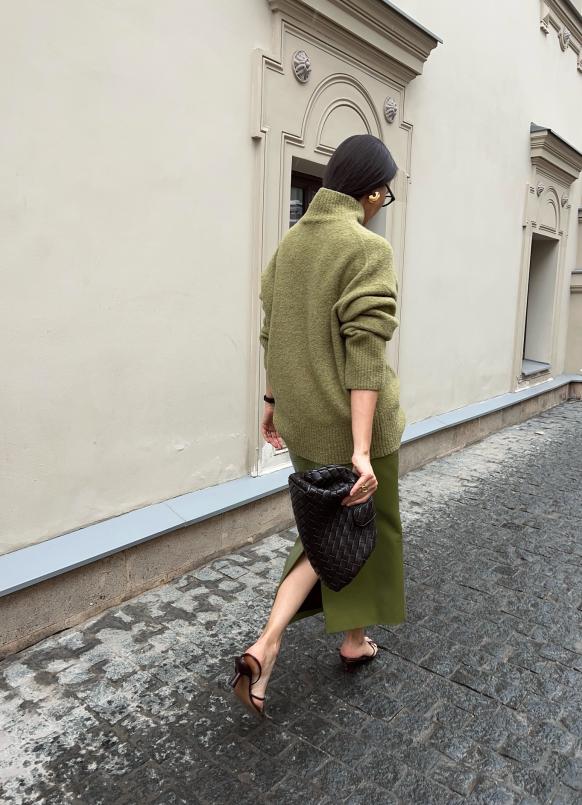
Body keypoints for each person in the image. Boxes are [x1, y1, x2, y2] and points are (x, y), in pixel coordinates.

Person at [229, 133, 407, 717]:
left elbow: (271, 334)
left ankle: (338, 640)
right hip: (354, 430)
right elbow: (365, 355)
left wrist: (271, 401)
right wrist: (361, 449)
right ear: (372, 192)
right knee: (355, 532)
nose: (382, 203)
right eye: (385, 193)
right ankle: (273, 643)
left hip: (302, 423)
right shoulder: (367, 249)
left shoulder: (289, 246)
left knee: (325, 530)